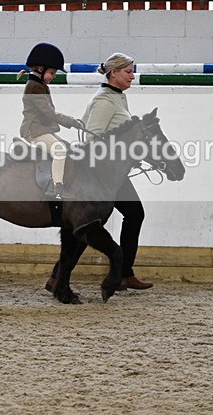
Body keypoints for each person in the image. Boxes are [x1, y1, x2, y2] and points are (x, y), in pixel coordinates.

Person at [46, 52, 153, 292]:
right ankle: (123, 273)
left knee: (104, 222)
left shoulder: (117, 97)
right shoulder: (104, 100)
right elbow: (92, 137)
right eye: (128, 72)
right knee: (101, 222)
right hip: (100, 174)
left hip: (112, 173)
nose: (132, 76)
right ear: (113, 73)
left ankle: (60, 276)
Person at [19, 43, 84, 200]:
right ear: (41, 69)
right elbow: (48, 112)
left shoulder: (39, 84)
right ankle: (56, 188)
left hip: (42, 129)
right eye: (52, 73)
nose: (53, 76)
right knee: (60, 150)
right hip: (33, 130)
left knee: (67, 148)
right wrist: (71, 121)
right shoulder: (35, 87)